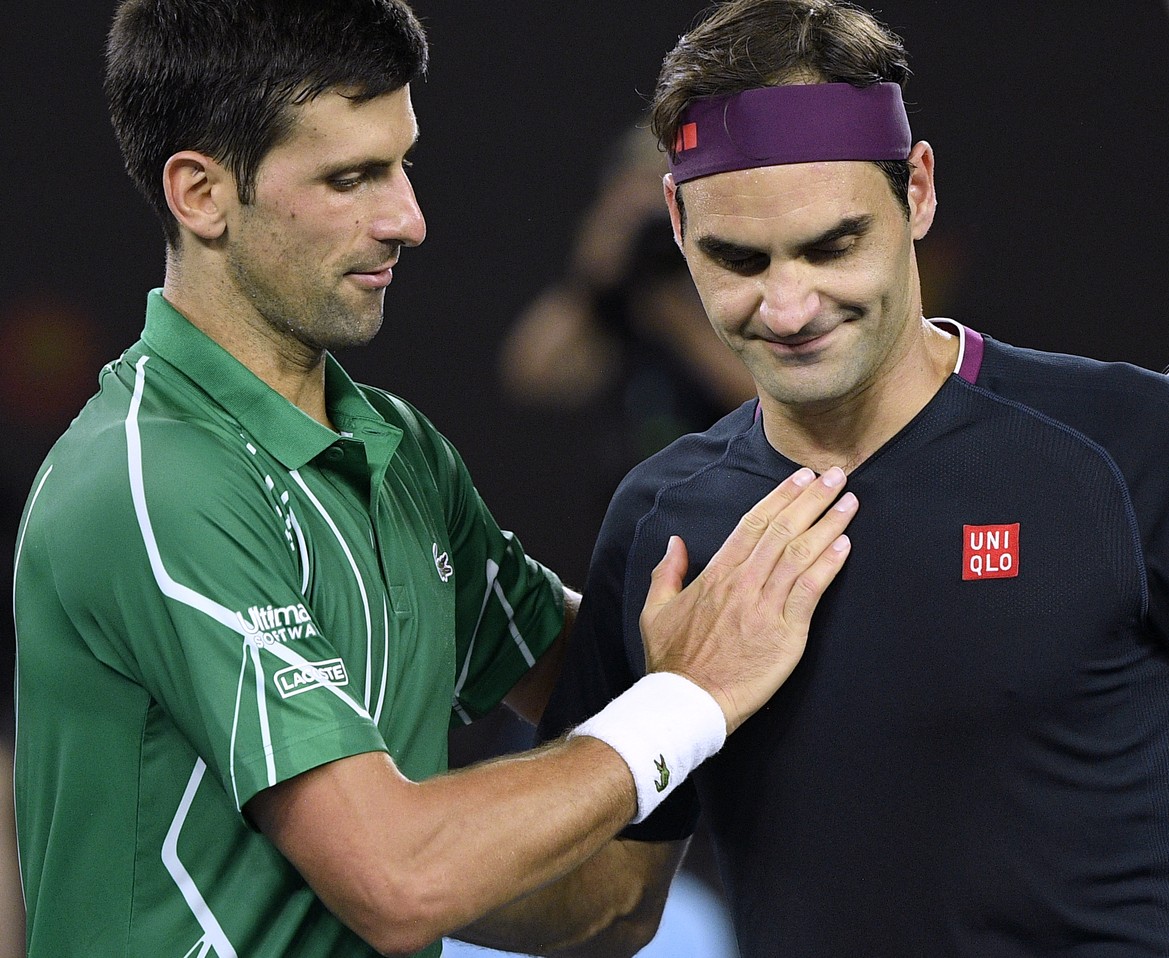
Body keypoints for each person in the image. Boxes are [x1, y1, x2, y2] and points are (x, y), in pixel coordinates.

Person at [534, 1, 1169, 955]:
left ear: (917, 191)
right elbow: (615, 904)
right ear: (676, 224)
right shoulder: (659, 518)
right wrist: (365, 886)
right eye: (738, 259)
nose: (789, 305)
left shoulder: (1137, 446)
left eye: (834, 245)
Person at [9, 2, 859, 955]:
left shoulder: (401, 456)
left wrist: (731, 678)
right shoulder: (150, 485)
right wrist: (689, 703)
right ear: (201, 193)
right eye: (351, 178)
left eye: (401, 163)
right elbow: (400, 878)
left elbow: (610, 880)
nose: (407, 219)